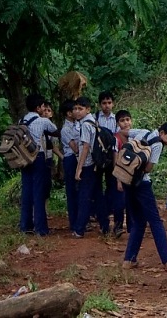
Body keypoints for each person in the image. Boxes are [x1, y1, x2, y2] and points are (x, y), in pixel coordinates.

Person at [122, 121, 167, 271]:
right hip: (142, 183)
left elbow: (125, 133)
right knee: (155, 222)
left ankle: (128, 260)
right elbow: (149, 168)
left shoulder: (142, 131)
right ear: (162, 133)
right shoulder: (158, 144)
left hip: (127, 179)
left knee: (138, 222)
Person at [19, 94, 58, 236]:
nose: (44, 109)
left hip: (24, 159)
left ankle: (25, 226)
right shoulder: (43, 121)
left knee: (27, 191)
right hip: (39, 157)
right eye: (43, 106)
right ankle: (41, 228)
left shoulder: (21, 120)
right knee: (39, 192)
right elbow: (54, 130)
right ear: (38, 107)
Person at [95, 91, 123, 237]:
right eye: (104, 103)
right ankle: (103, 225)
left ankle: (118, 225)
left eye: (109, 103)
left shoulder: (117, 120)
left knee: (115, 190)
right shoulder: (94, 119)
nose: (107, 106)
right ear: (100, 104)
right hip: (99, 160)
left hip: (113, 158)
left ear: (113, 103)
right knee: (99, 192)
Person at [70, 97, 99, 238]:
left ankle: (79, 228)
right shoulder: (93, 122)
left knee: (84, 196)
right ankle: (104, 225)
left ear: (88, 109)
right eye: (75, 109)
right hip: (94, 164)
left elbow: (85, 147)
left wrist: (79, 168)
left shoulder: (86, 125)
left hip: (87, 164)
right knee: (97, 195)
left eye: (80, 109)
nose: (77, 111)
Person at [60, 99, 80, 232]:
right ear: (68, 113)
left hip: (77, 159)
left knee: (79, 190)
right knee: (72, 191)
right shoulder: (66, 129)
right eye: (75, 109)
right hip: (71, 159)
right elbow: (75, 148)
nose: (77, 111)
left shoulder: (78, 124)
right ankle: (74, 223)